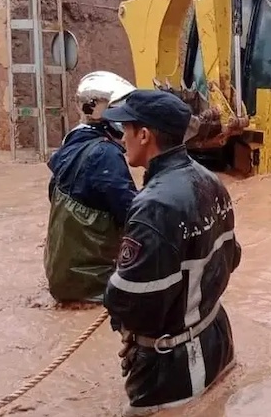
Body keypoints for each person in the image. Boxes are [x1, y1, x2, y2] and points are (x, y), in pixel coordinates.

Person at [102, 90, 242, 416]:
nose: (122, 138)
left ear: (145, 135)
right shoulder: (213, 182)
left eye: (125, 129)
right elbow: (233, 257)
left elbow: (130, 300)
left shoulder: (152, 205)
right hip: (218, 340)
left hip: (173, 369)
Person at [44, 71, 138, 303]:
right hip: (94, 283)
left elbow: (52, 192)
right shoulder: (105, 155)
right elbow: (133, 215)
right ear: (99, 113)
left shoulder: (72, 142)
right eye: (119, 112)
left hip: (62, 276)